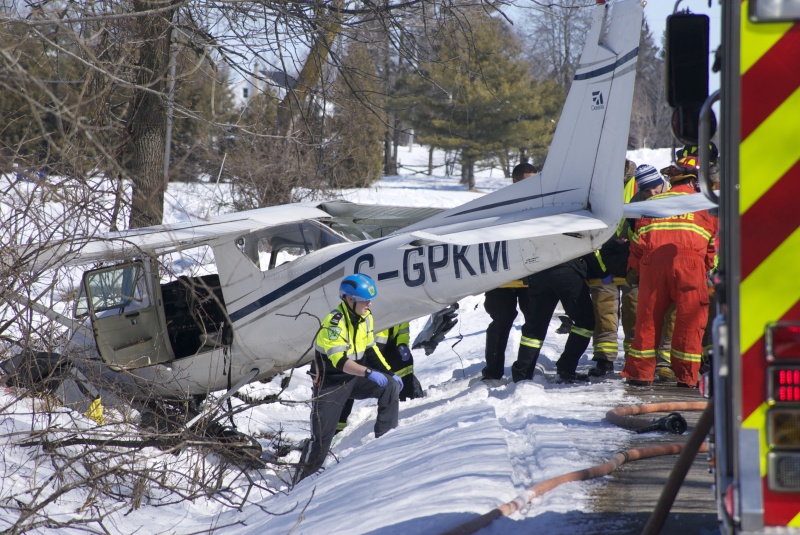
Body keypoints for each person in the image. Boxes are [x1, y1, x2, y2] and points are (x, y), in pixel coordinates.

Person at [621, 155, 718, 388]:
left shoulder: (654, 204)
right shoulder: (703, 204)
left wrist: (633, 269)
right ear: (694, 182)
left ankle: (641, 374)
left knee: (648, 320)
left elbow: (638, 240)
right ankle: (686, 377)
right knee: (689, 322)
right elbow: (711, 244)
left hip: (653, 266)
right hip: (689, 266)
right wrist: (704, 269)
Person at [296, 274, 401, 482]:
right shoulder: (334, 323)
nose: (369, 304)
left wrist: (389, 372)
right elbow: (340, 362)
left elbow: (370, 349)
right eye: (365, 300)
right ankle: (300, 483)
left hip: (354, 379)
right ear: (350, 299)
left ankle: (386, 444)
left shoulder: (366, 317)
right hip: (330, 385)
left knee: (389, 387)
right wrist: (368, 373)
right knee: (322, 440)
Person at [480, 162, 538, 384]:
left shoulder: (539, 204)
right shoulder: (498, 204)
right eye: (527, 180)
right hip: (501, 275)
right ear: (514, 181)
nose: (532, 185)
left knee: (533, 321)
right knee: (501, 321)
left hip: (530, 273)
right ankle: (493, 370)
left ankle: (525, 371)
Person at [511, 257, 595, 383]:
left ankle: (522, 374)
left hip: (540, 272)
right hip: (567, 270)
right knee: (585, 321)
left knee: (534, 327)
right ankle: (566, 368)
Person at [335, 321, 422, 434]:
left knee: (404, 365)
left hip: (388, 347)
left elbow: (403, 330)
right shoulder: (369, 307)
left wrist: (402, 344)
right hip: (367, 349)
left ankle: (407, 402)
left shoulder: (400, 305)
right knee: (349, 378)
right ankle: (336, 427)